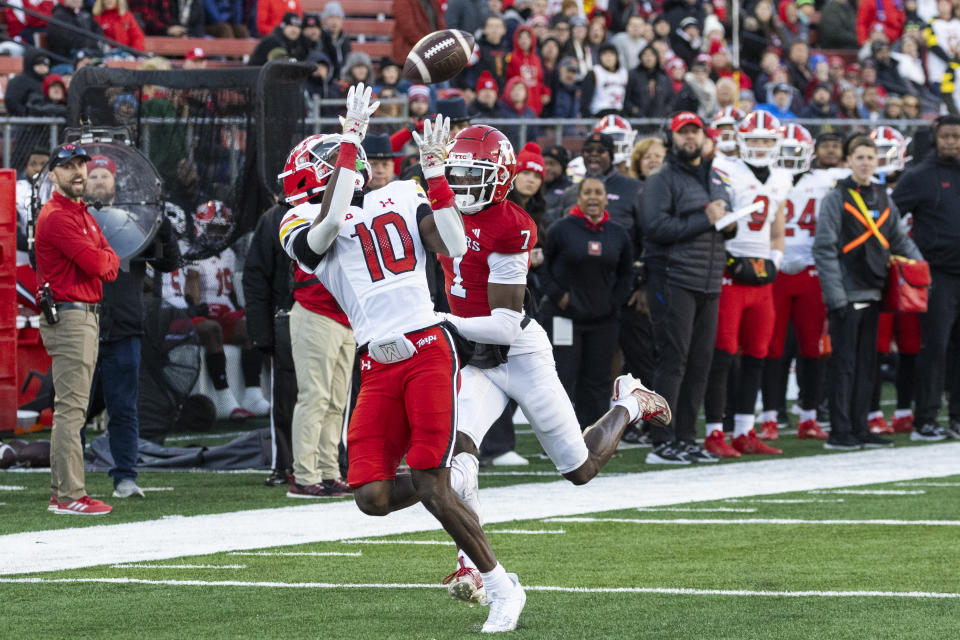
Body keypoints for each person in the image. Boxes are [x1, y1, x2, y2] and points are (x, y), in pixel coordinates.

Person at [280, 85, 526, 633]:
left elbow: (456, 245)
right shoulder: (298, 220)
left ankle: (501, 585)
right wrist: (351, 140)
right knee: (369, 494)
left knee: (429, 479)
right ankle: (452, 475)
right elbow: (323, 231)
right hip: (376, 361)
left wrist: (436, 175)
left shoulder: (404, 194)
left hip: (426, 350)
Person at [436, 123, 669, 601]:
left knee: (579, 468)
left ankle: (628, 402)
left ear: (500, 177)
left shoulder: (513, 224)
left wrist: (436, 319)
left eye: (472, 174)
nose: (460, 185)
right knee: (457, 459)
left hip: (517, 350)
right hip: (474, 358)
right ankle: (470, 565)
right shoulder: (438, 207)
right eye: (455, 174)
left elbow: (503, 323)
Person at [814, 134, 922, 450]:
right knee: (844, 365)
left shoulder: (882, 195)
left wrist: (920, 270)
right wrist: (836, 296)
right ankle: (840, 430)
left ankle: (860, 426)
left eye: (870, 158)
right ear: (848, 161)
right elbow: (824, 248)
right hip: (846, 294)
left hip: (874, 291)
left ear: (878, 162)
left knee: (867, 364)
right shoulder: (836, 197)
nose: (865, 163)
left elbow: (900, 239)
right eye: (859, 157)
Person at [83, 154, 181, 499]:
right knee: (72, 407)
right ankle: (68, 480)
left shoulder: (133, 220)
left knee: (123, 407)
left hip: (123, 324)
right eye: (91, 175)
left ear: (114, 183)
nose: (97, 180)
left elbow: (169, 262)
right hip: (80, 323)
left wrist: (163, 225)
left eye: (103, 175)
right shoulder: (73, 220)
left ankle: (125, 476)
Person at [642, 112, 734, 464]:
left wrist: (729, 225)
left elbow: (723, 223)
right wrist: (705, 219)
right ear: (672, 138)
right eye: (683, 134)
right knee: (673, 362)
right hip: (674, 278)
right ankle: (662, 441)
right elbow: (654, 227)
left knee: (700, 363)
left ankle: (685, 438)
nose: (690, 139)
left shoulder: (715, 177)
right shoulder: (661, 179)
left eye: (695, 132)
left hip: (708, 280)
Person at [35, 143, 119, 515]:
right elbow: (99, 262)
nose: (78, 172)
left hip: (81, 314)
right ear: (52, 174)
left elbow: (109, 262)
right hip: (71, 315)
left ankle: (62, 493)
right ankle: (70, 496)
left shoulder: (79, 213)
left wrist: (103, 258)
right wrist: (103, 258)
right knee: (72, 411)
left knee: (70, 409)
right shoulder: (57, 215)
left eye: (81, 164)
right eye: (67, 166)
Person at [760, 130, 846, 443]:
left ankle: (808, 415)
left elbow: (864, 169)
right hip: (776, 269)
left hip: (812, 270)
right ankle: (770, 416)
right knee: (772, 346)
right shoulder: (764, 178)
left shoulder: (825, 179)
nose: (790, 157)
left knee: (812, 347)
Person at [540, 176, 634, 425]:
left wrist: (613, 301)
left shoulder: (619, 234)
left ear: (606, 198)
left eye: (598, 193)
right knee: (563, 375)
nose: (593, 197)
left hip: (603, 319)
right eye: (588, 192)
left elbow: (627, 274)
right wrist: (560, 297)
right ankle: (558, 433)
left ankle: (592, 435)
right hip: (564, 317)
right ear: (579, 197)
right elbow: (544, 270)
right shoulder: (560, 229)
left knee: (598, 378)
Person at [892, 115, 960, 440]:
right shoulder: (919, 176)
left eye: (957, 137)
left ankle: (957, 419)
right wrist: (911, 255)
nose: (952, 142)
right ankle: (927, 420)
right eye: (946, 136)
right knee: (935, 348)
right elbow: (891, 218)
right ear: (936, 137)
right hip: (937, 275)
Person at [241, 197, 298, 487]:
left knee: (335, 398)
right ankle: (284, 464)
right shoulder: (274, 217)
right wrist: (261, 332)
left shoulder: (345, 208)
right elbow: (256, 277)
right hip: (286, 317)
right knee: (286, 397)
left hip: (335, 317)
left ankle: (338, 462)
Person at [393, 0, 446, 70]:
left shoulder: (433, 2)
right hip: (411, 55)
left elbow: (440, 23)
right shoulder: (403, 2)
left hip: (432, 54)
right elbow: (409, 30)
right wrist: (430, 45)